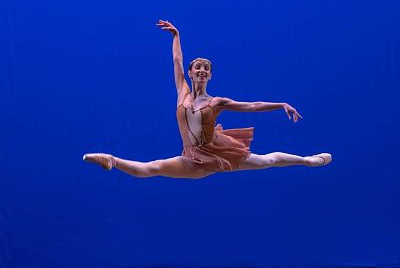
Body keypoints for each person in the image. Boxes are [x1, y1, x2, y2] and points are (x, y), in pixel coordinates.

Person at [83, 20, 332, 179]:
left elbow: (251, 106)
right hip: (193, 159)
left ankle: (307, 160)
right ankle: (112, 160)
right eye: (198, 67)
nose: (201, 70)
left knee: (267, 160)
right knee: (154, 167)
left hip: (219, 152)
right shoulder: (182, 91)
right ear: (191, 73)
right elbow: (177, 61)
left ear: (210, 75)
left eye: (206, 68)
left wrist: (280, 104)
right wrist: (176, 36)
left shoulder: (217, 102)